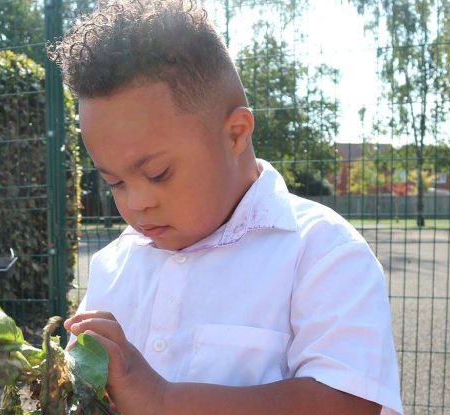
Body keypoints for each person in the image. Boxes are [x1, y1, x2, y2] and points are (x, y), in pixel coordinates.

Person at [49, 0, 403, 413]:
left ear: (235, 134)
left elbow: (349, 403)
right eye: (114, 182)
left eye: (159, 173)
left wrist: (161, 400)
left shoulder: (322, 251)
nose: (136, 203)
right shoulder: (113, 264)